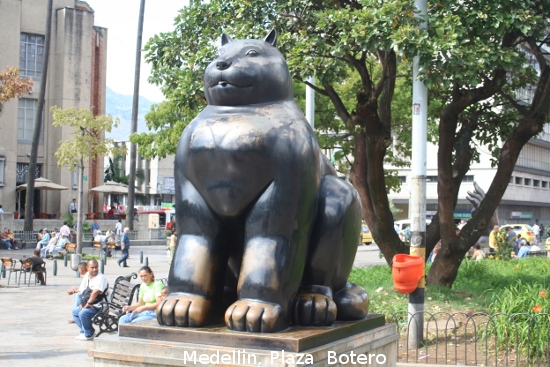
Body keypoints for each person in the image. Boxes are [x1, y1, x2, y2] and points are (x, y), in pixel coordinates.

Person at [71, 260, 109, 341]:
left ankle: (89, 334)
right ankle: (84, 331)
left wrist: (88, 303)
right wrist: (82, 303)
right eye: (92, 268)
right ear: (87, 268)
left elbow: (96, 292)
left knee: (83, 313)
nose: (94, 269)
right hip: (92, 303)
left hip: (100, 305)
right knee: (75, 312)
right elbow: (83, 290)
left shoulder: (100, 278)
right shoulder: (88, 275)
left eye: (96, 267)